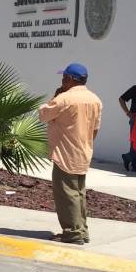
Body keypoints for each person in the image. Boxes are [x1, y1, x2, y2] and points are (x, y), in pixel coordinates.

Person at [38, 62, 103, 244]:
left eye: (64, 77)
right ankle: (82, 230)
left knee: (66, 194)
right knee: (79, 193)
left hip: (65, 153)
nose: (62, 80)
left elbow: (43, 115)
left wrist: (56, 96)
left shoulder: (64, 99)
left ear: (71, 79)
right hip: (83, 152)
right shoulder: (95, 99)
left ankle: (72, 233)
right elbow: (95, 130)